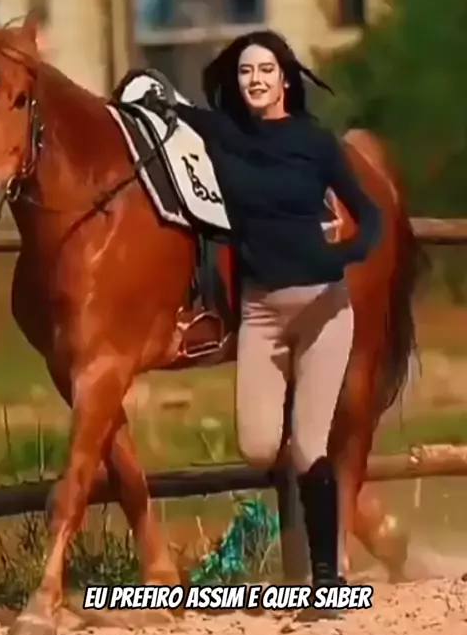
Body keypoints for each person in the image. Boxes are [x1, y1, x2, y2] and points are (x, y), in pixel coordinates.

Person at [148, 30, 382, 592]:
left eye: (266, 71)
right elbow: (170, 113)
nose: (255, 80)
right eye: (246, 71)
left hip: (324, 308)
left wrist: (341, 255)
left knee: (309, 447)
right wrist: (146, 96)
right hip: (262, 315)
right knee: (256, 445)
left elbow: (370, 216)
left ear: (285, 80)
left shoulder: (316, 143)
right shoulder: (222, 134)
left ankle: (327, 579)